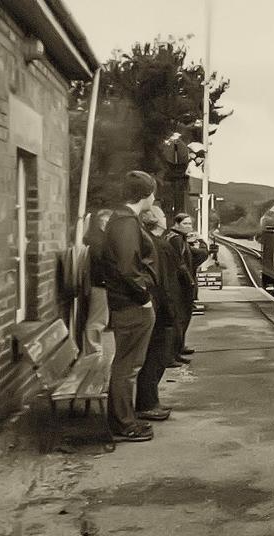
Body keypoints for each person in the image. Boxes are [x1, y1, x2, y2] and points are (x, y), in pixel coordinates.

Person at [101, 171, 158, 442]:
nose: (154, 197)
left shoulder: (122, 220)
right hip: (132, 305)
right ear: (145, 195)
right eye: (152, 193)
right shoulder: (125, 223)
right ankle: (124, 423)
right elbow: (128, 267)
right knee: (128, 366)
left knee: (127, 365)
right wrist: (144, 296)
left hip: (127, 303)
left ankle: (123, 419)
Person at [135, 205, 181, 421]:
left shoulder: (155, 244)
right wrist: (170, 308)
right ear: (154, 220)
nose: (166, 218)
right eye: (162, 215)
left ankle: (150, 401)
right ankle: (147, 403)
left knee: (155, 355)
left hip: (158, 304)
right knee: (156, 356)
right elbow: (165, 281)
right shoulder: (159, 246)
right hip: (161, 305)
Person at [166, 213, 207, 360]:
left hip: (181, 283)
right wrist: (190, 281)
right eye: (185, 224)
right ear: (176, 224)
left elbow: (198, 256)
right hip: (179, 285)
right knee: (180, 318)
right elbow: (181, 263)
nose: (189, 227)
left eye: (190, 224)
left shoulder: (179, 239)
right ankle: (173, 354)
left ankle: (177, 349)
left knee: (183, 317)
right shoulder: (176, 240)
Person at [82, 208, 112, 355]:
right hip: (100, 283)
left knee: (99, 318)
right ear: (103, 222)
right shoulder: (99, 241)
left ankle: (94, 347)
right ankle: (93, 348)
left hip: (99, 282)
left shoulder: (96, 239)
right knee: (98, 319)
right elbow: (102, 263)